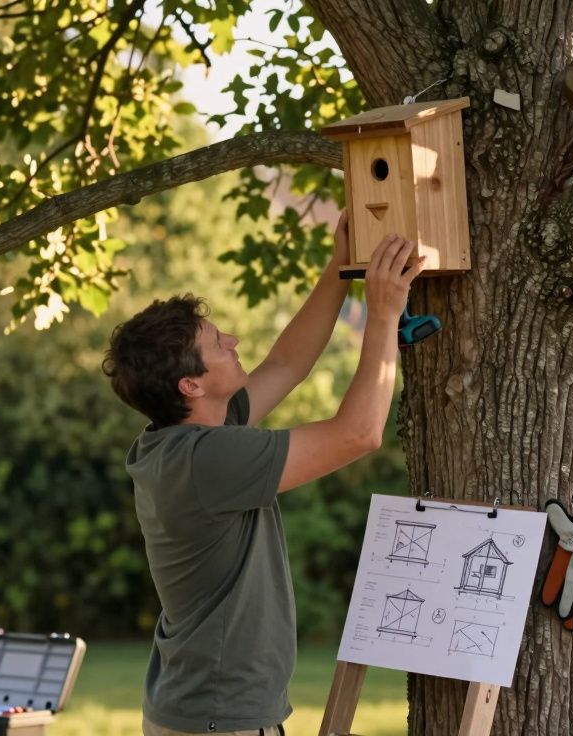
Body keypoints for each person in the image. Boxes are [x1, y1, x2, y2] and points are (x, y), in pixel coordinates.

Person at [102, 215, 425, 736]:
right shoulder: (205, 461)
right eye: (216, 343)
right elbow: (358, 434)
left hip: (206, 710)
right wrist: (382, 315)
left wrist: (341, 269)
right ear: (191, 384)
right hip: (219, 718)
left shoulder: (183, 439)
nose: (231, 339)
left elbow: (288, 363)